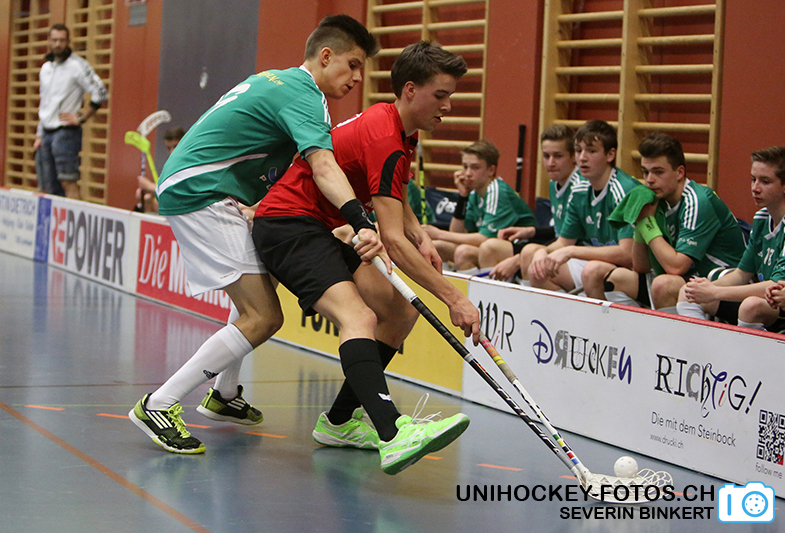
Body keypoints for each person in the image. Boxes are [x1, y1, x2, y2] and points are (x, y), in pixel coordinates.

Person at [128, 15, 383, 454]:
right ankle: (159, 404)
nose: (358, 77)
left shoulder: (278, 80)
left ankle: (224, 395)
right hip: (202, 192)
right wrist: (360, 220)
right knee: (263, 316)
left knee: (265, 281)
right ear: (326, 56)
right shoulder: (305, 96)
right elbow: (323, 166)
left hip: (204, 186)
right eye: (353, 64)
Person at [254, 41, 478, 475]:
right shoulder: (387, 138)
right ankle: (393, 433)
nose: (448, 106)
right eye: (440, 95)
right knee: (359, 316)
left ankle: (339, 422)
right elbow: (391, 240)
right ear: (410, 90)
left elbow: (393, 197)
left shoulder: (397, 128)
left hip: (319, 226)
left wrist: (420, 234)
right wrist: (454, 298)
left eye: (450, 96)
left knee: (400, 311)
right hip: (287, 225)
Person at [603, 133, 745, 309]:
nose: (649, 180)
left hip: (722, 282)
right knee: (616, 279)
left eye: (658, 172)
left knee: (663, 284)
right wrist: (641, 222)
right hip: (689, 279)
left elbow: (676, 267)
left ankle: (664, 328)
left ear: (679, 172)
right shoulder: (657, 199)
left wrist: (647, 222)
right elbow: (640, 266)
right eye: (645, 172)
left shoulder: (697, 201)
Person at [522, 120, 639, 295]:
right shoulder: (579, 190)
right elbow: (564, 241)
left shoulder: (625, 190)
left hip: (630, 271)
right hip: (597, 264)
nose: (582, 158)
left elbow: (627, 254)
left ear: (610, 155)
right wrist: (542, 252)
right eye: (578, 150)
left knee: (592, 271)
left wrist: (571, 251)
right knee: (537, 267)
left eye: (591, 151)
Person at [677, 147, 785, 329]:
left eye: (765, 181)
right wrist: (705, 290)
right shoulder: (761, 219)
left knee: (751, 306)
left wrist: (715, 292)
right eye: (753, 179)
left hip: (777, 305)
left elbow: (775, 285)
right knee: (689, 292)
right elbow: (741, 274)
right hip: (770, 301)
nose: (755, 188)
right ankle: (698, 346)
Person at [486, 124, 583, 281]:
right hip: (560, 246)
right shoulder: (554, 184)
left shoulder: (580, 187)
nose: (550, 163)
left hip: (576, 252)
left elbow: (573, 239)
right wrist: (532, 231)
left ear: (574, 157)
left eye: (558, 156)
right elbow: (562, 229)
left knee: (528, 254)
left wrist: (517, 260)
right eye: (546, 156)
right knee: (491, 248)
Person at [422, 140, 536, 272]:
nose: (468, 173)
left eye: (475, 168)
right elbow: (457, 233)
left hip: (519, 250)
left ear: (491, 170)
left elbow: (484, 238)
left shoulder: (497, 191)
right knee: (437, 247)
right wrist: (463, 197)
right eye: (465, 167)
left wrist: (439, 233)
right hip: (490, 247)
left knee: (464, 252)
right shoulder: (474, 193)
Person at [34, 24, 108, 199]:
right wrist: (39, 134)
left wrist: (81, 117)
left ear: (68, 41)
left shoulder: (77, 65)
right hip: (46, 132)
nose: (58, 44)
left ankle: (73, 217)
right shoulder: (45, 68)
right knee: (48, 186)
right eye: (54, 40)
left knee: (68, 181)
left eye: (62, 40)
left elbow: (101, 92)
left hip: (66, 132)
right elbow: (45, 103)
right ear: (48, 41)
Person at [136, 127, 186, 213]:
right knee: (148, 200)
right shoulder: (170, 167)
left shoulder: (191, 165)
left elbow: (178, 193)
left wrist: (149, 186)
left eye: (175, 146)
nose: (171, 152)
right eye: (168, 148)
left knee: (157, 203)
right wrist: (148, 192)